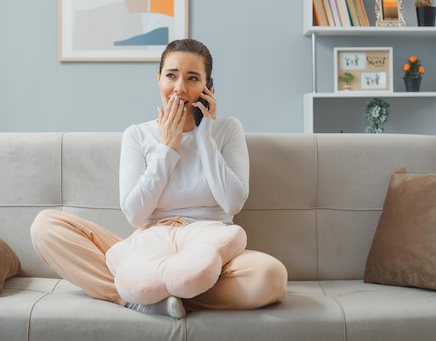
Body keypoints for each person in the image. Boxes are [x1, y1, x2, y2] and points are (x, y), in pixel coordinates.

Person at [31, 39, 287, 319]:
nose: (179, 87)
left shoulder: (226, 129)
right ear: (158, 78)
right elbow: (136, 216)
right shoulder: (138, 135)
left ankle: (155, 294)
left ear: (207, 86)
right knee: (46, 226)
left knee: (271, 276)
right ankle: (141, 298)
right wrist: (167, 149)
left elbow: (232, 203)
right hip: (148, 248)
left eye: (192, 78)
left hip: (209, 245)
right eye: (171, 75)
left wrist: (204, 135)